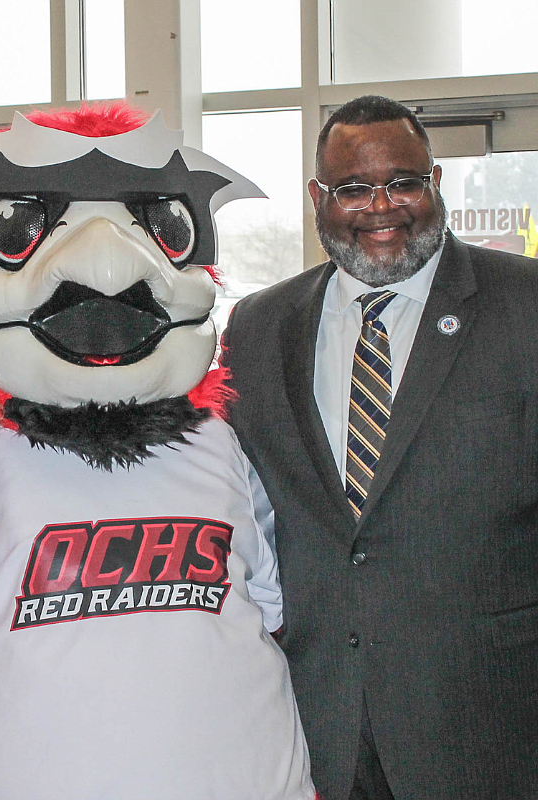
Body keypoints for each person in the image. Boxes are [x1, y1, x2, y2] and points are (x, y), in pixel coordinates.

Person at [221, 94, 538, 800]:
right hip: (318, 724)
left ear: (435, 182)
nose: (382, 208)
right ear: (318, 198)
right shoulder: (257, 328)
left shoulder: (526, 306)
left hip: (491, 727)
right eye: (353, 189)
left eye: (404, 182)